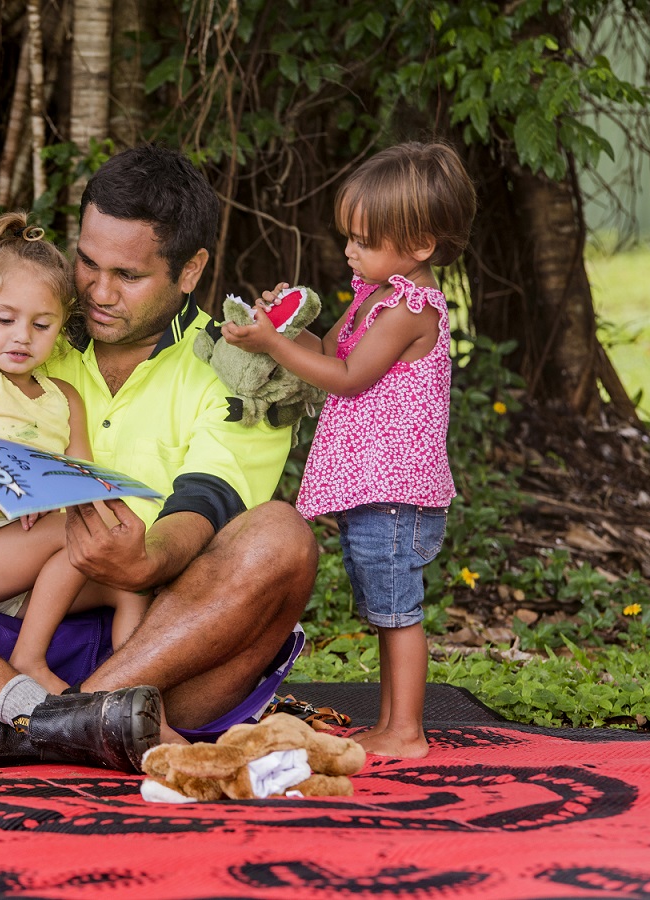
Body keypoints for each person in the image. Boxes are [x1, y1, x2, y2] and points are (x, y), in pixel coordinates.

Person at [0, 145, 318, 775]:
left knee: (283, 537)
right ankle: (54, 720)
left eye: (127, 276)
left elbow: (207, 505)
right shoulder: (33, 329)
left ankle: (16, 725)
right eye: (88, 264)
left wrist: (145, 559)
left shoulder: (238, 369)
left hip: (159, 648)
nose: (98, 292)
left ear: (190, 270)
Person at [223, 141, 477, 759]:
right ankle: (395, 723)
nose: (349, 250)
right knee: (386, 609)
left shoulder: (411, 307)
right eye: (349, 237)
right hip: (376, 488)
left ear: (418, 245)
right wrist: (280, 329)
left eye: (363, 239)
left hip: (396, 491)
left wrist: (275, 349)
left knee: (398, 612)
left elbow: (347, 378)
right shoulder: (375, 295)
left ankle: (406, 731)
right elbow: (332, 350)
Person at [0, 210, 149, 694]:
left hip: (38, 557)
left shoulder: (64, 396)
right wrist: (14, 498)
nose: (22, 336)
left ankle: (121, 694)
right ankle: (29, 659)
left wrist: (119, 522)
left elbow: (84, 478)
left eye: (42, 324)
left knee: (130, 582)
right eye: (5, 319)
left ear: (63, 327)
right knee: (74, 529)